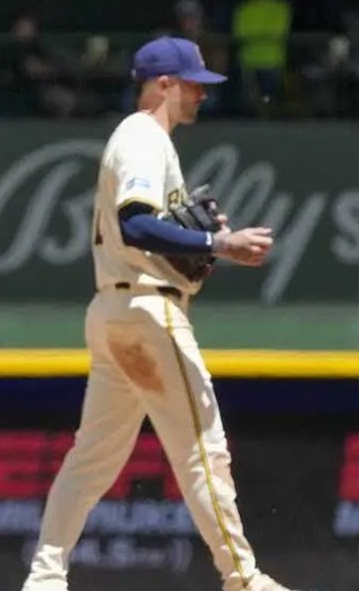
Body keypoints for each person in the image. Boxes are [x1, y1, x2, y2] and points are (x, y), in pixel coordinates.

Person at [19, 37, 300, 591]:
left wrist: (194, 244)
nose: (201, 94)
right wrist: (218, 242)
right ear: (163, 84)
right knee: (203, 451)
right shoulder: (143, 136)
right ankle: (244, 579)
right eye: (193, 83)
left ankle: (45, 578)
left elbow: (143, 227)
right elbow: (136, 224)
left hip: (116, 309)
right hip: (148, 312)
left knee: (91, 458)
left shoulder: (145, 139)